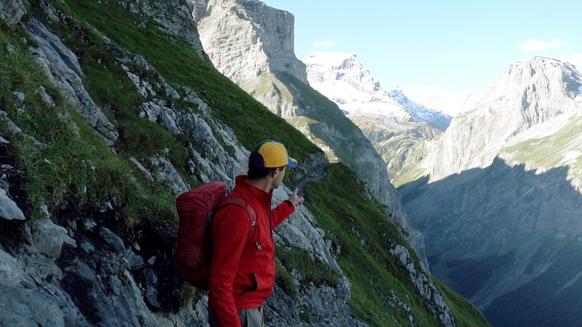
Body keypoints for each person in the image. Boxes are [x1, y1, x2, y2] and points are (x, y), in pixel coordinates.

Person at [208, 140, 304, 327]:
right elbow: (220, 281)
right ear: (275, 172)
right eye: (284, 169)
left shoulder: (252, 199)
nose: (284, 174)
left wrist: (289, 205)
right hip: (238, 311)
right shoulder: (239, 214)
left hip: (246, 308)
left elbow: (262, 227)